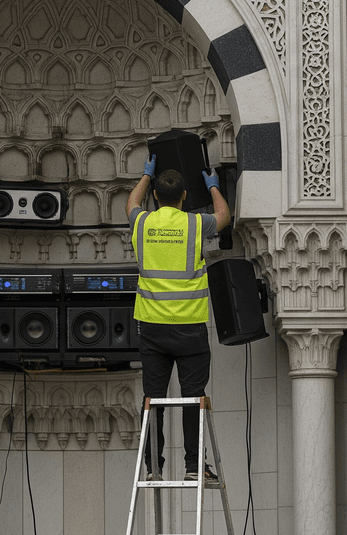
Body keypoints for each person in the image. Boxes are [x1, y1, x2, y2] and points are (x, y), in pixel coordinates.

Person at [126, 154, 229, 483]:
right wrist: (213, 186)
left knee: (151, 400)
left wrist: (145, 175)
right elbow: (224, 216)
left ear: (155, 195)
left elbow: (130, 202)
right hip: (190, 329)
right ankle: (193, 466)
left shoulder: (141, 222)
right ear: (184, 196)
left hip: (152, 329)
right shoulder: (197, 225)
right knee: (192, 397)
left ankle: (153, 467)